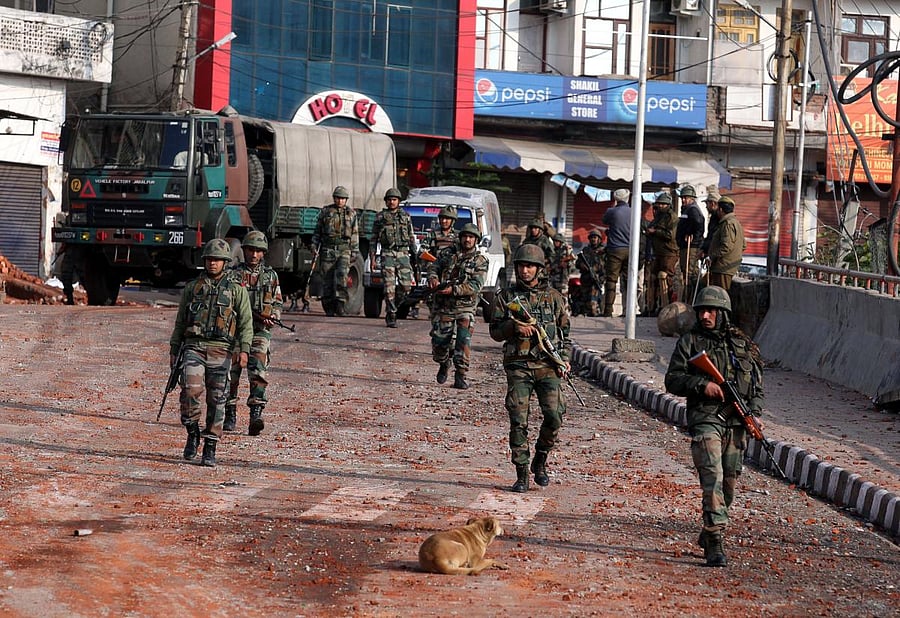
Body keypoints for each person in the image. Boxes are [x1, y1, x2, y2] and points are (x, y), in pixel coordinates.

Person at [664, 285, 764, 567]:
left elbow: (757, 386)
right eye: (702, 310)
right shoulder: (690, 342)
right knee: (712, 476)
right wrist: (701, 384)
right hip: (706, 418)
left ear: (723, 314)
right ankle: (716, 539)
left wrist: (754, 413)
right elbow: (672, 380)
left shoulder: (743, 346)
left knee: (729, 484)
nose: (705, 315)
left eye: (711, 311)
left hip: (736, 421)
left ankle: (709, 532)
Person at [489, 244, 571, 493]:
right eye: (522, 266)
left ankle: (541, 458)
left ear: (539, 269)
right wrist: (514, 328)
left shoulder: (554, 297)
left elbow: (565, 333)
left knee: (554, 415)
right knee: (518, 419)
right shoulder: (506, 297)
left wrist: (564, 359)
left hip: (548, 365)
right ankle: (522, 472)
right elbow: (495, 332)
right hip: (519, 366)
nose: (525, 270)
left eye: (530, 266)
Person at [169, 238, 253, 468]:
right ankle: (192, 431)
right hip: (194, 347)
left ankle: (210, 445)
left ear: (225, 262)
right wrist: (174, 349)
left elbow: (246, 324)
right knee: (190, 390)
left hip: (222, 350)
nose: (212, 264)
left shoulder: (236, 290)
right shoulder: (193, 288)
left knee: (217, 399)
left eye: (217, 260)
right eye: (209, 259)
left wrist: (244, 350)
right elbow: (180, 322)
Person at [224, 231, 284, 436]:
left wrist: (272, 316)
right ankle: (229, 412)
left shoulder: (270, 276)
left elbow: (277, 302)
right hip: (236, 332)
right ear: (244, 251)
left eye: (258, 251)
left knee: (257, 369)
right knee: (230, 372)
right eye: (250, 250)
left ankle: (256, 413)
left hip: (260, 331)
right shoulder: (232, 274)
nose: (254, 254)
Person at [426, 223, 489, 389]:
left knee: (463, 339)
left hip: (465, 307)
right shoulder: (447, 253)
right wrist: (433, 278)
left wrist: (453, 290)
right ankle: (444, 362)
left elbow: (475, 285)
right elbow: (433, 266)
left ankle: (461, 374)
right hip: (444, 306)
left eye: (471, 237)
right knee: (440, 342)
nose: (467, 240)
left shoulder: (480, 261)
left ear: (476, 240)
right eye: (465, 236)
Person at [372, 187, 416, 327]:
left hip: (403, 254)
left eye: (394, 200)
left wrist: (414, 255)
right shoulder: (380, 217)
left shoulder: (406, 216)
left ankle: (394, 306)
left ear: (399, 201)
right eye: (389, 200)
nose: (392, 202)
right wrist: (373, 257)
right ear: (386, 201)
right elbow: (373, 239)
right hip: (387, 254)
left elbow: (410, 236)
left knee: (406, 287)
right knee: (389, 287)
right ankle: (391, 314)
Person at [313, 186, 359, 316]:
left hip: (344, 249)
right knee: (327, 279)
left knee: (342, 277)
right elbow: (318, 230)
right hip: (328, 249)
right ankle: (328, 307)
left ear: (346, 200)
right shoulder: (326, 212)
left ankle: (340, 305)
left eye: (343, 199)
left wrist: (354, 250)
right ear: (334, 198)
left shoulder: (351, 214)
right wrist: (314, 245)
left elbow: (355, 233)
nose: (340, 201)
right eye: (338, 198)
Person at [643, 192, 681, 315]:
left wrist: (655, 231)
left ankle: (667, 307)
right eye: (658, 204)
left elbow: (670, 235)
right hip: (657, 253)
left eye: (661, 204)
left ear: (667, 205)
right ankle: (652, 307)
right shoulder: (659, 216)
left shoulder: (671, 217)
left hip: (668, 253)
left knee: (665, 278)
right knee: (653, 279)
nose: (659, 206)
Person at [601, 188, 631, 317]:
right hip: (631, 250)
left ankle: (608, 310)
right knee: (628, 281)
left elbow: (605, 221)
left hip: (615, 250)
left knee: (611, 281)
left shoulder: (612, 212)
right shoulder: (634, 212)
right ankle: (628, 310)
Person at [708, 196, 746, 291]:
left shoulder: (727, 224)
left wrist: (711, 256)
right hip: (726, 267)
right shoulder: (736, 223)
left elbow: (726, 246)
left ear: (720, 209)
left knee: (721, 296)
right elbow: (744, 245)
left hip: (723, 267)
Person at [675, 184, 705, 301]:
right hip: (685, 246)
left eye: (685, 197)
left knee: (689, 272)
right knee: (688, 271)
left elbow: (698, 223)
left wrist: (692, 235)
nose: (683, 200)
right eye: (682, 197)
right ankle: (689, 297)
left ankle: (692, 298)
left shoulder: (693, 209)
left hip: (691, 246)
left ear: (692, 198)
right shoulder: (687, 209)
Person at [575, 229, 605, 316]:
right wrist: (582, 265)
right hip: (585, 279)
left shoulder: (603, 251)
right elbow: (577, 263)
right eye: (591, 237)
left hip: (596, 279)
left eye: (595, 237)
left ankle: (596, 315)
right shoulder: (585, 250)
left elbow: (606, 265)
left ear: (599, 239)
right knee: (585, 303)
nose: (593, 239)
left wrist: (597, 271)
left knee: (593, 304)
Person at [549, 234, 575, 300]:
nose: (555, 243)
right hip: (552, 279)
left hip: (563, 280)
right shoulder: (552, 251)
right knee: (552, 299)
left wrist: (567, 263)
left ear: (561, 242)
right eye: (554, 241)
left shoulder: (566, 251)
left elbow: (573, 264)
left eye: (557, 241)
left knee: (563, 299)